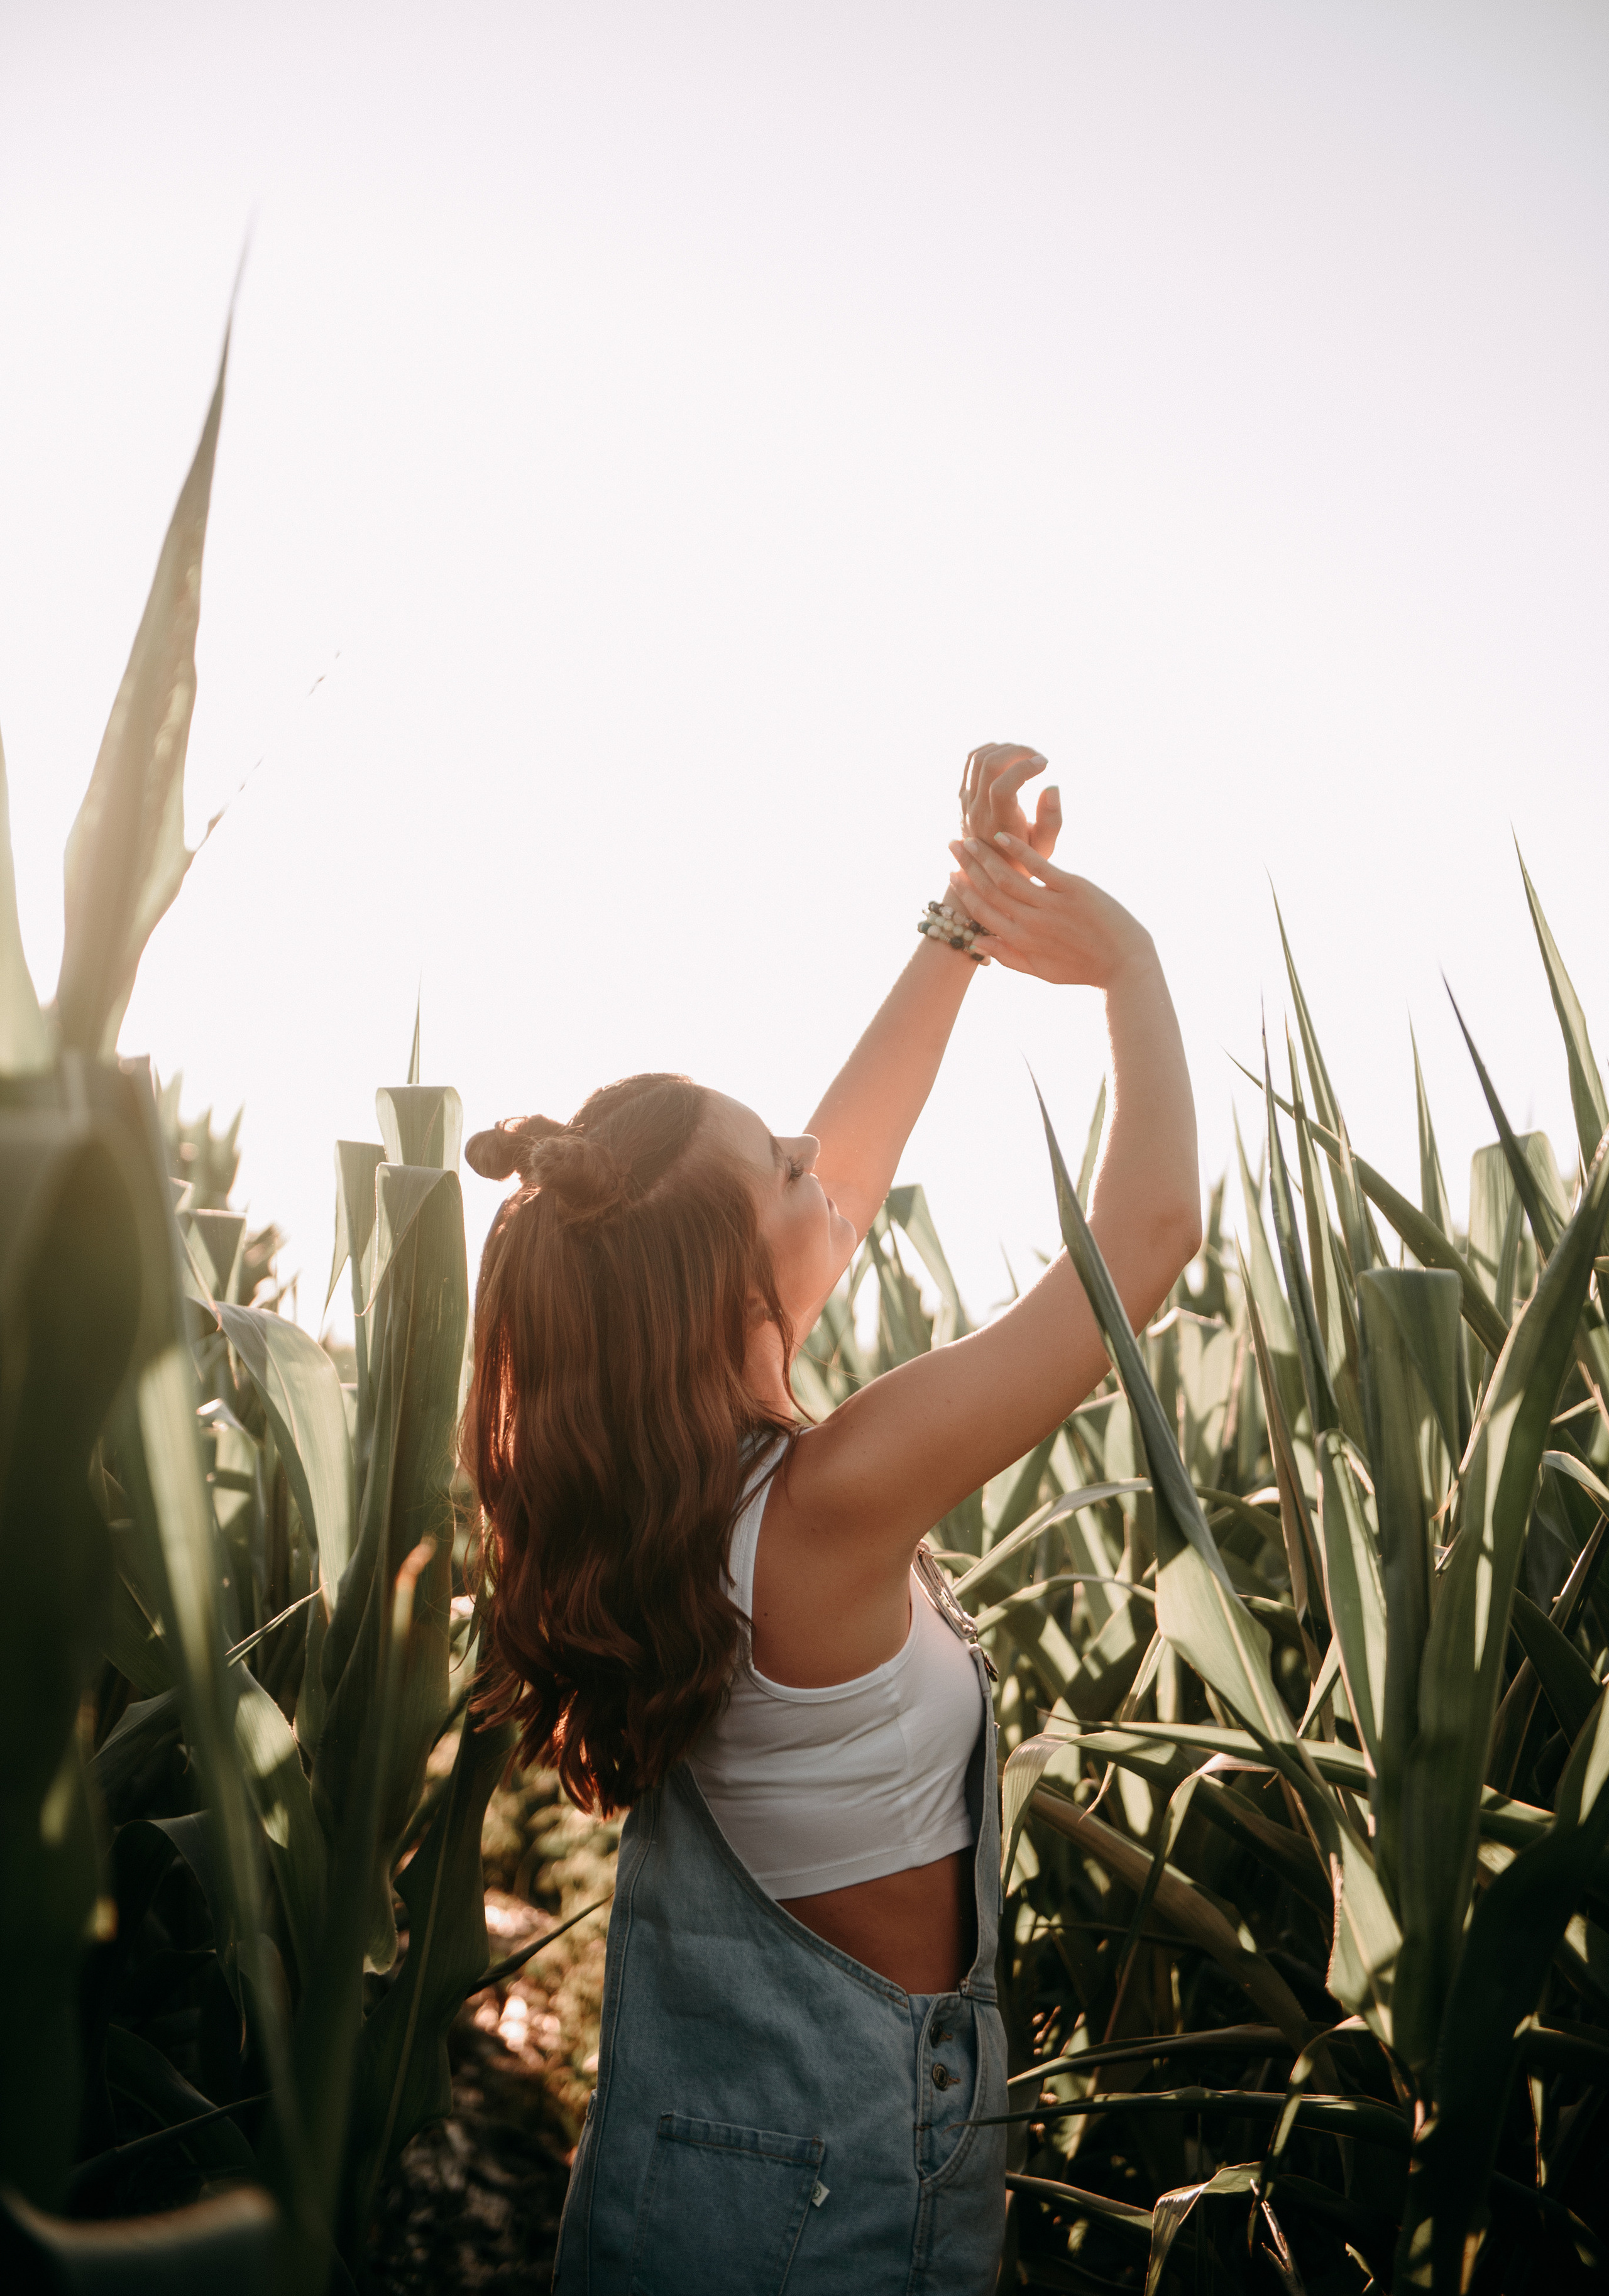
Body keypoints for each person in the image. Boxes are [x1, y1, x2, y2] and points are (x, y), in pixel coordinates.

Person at [462, 743, 1199, 2296]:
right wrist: (1124, 966)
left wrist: (965, 911)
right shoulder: (824, 1503)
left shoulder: (684, 1509)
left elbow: (834, 1174)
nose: (824, 1166)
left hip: (691, 2181)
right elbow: (1145, 1238)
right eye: (783, 1170)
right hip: (836, 2201)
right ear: (733, 1290)